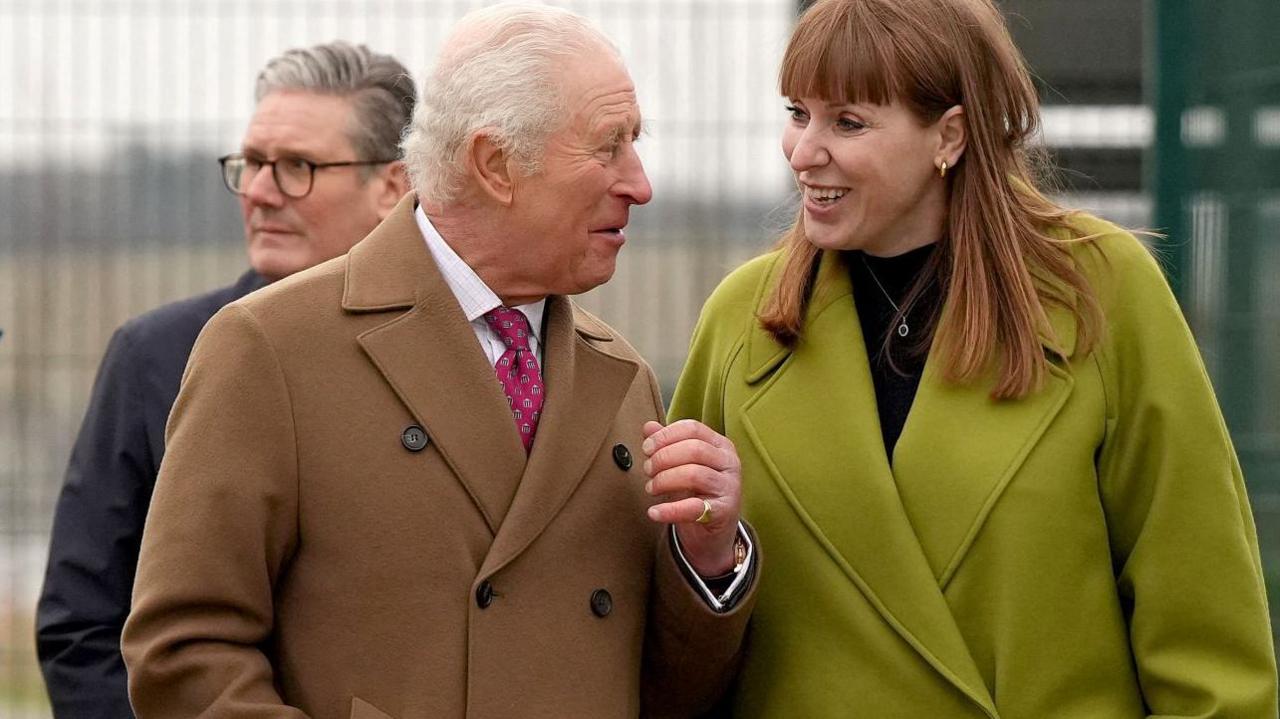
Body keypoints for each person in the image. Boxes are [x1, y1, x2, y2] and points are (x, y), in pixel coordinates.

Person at [121, 6, 758, 718]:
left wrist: (709, 560)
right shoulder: (270, 348)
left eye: (634, 145)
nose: (639, 183)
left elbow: (663, 693)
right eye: (608, 147)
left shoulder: (624, 378)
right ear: (495, 165)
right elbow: (185, 653)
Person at [669, 0, 1276, 715]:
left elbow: (1202, 615)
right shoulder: (743, 321)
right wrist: (712, 563)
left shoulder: (1101, 293)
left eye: (848, 122)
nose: (803, 151)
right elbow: (666, 638)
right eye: (798, 113)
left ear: (948, 136)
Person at [36, 41, 415, 719]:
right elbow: (82, 629)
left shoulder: (456, 359)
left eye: (297, 166)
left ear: (392, 186)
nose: (261, 192)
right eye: (251, 165)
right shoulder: (154, 357)